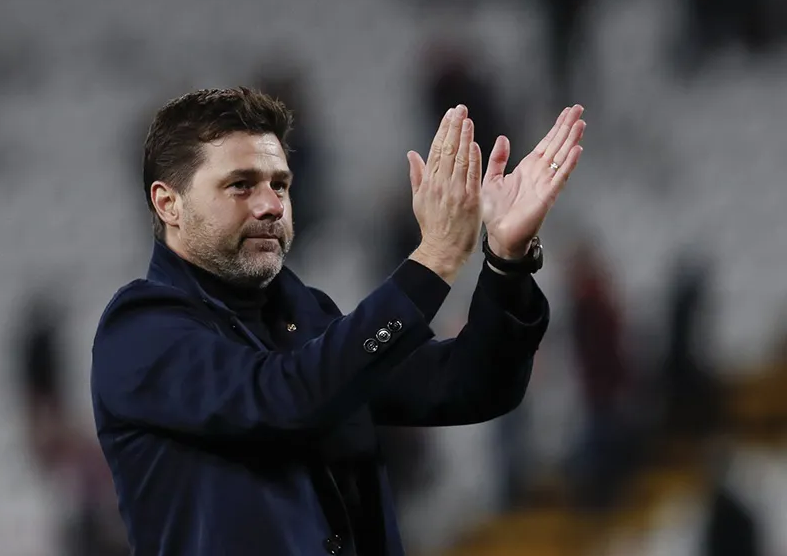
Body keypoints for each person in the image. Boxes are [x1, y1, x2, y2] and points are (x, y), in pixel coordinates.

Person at [91, 87, 585, 556]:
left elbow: (470, 385)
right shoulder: (139, 333)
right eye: (240, 185)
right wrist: (434, 258)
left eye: (279, 184)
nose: (270, 205)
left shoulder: (305, 316)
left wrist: (506, 262)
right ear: (167, 203)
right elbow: (285, 400)